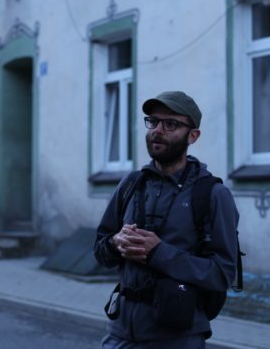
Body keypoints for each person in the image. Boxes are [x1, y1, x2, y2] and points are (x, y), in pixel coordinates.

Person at [94, 91, 239, 349]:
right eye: (153, 122)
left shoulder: (213, 195)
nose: (157, 131)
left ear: (192, 136)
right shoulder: (131, 185)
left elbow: (222, 274)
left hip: (177, 337)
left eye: (170, 124)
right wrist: (116, 243)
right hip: (120, 335)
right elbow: (100, 250)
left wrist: (159, 253)